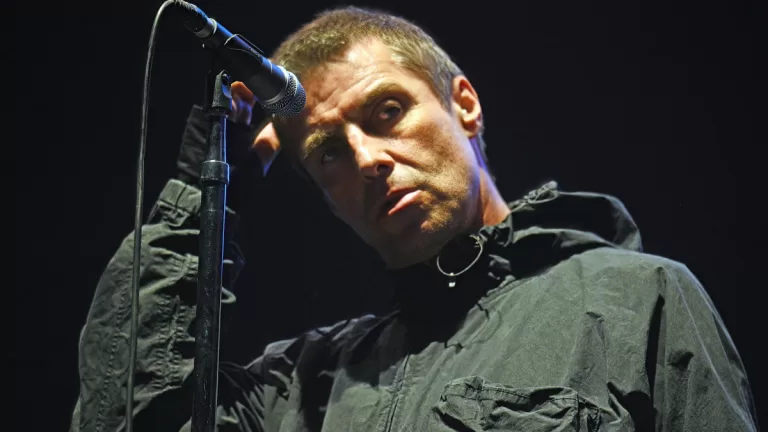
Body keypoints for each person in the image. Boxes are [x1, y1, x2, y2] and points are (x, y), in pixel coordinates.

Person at [70, 6, 758, 432]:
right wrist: (202, 197)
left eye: (387, 112)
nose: (369, 159)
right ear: (323, 194)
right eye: (330, 152)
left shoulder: (637, 300)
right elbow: (126, 417)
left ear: (464, 105)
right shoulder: (303, 386)